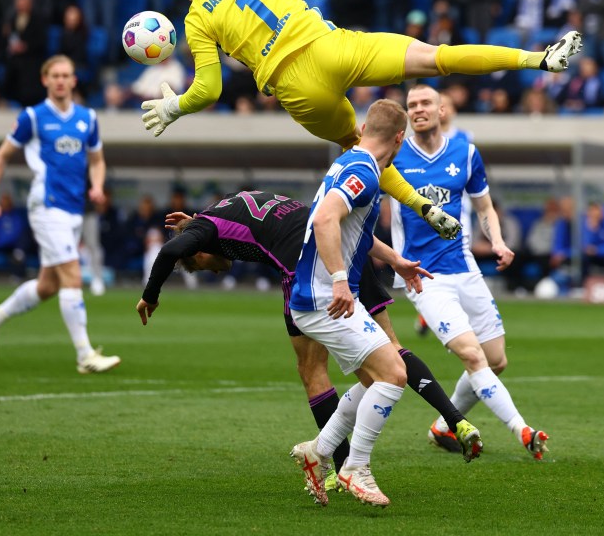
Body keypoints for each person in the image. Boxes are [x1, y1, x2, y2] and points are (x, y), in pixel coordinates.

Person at [142, 0, 583, 242]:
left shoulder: (197, 17)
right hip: (332, 47)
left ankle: (422, 207)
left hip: (298, 89)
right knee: (436, 57)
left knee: (361, 146)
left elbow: (209, 89)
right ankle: (539, 58)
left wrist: (175, 107)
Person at [135, 186, 483, 493]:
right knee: (391, 349)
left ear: (197, 252)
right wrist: (394, 258)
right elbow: (242, 220)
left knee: (314, 369)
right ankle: (455, 420)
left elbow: (169, 252)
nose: (216, 269)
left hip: (311, 270)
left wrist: (151, 295)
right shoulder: (223, 207)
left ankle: (339, 465)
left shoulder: (203, 230)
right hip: (346, 245)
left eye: (206, 267)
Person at [390, 84, 549, 460]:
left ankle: (442, 427)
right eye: (411, 105)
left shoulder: (466, 152)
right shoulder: (393, 157)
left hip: (464, 266)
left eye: (425, 103)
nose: (418, 110)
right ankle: (522, 430)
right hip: (423, 276)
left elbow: (484, 207)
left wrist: (497, 241)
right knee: (473, 357)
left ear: (442, 109)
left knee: (497, 360)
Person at [287, 99, 430, 507]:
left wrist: (396, 260)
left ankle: (319, 451)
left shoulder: (351, 162)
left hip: (314, 295)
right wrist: (338, 281)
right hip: (321, 298)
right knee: (394, 374)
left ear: (366, 126)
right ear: (400, 139)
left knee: (375, 378)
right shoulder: (365, 173)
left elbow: (352, 229)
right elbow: (324, 219)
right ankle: (355, 468)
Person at [0, 55, 120, 374]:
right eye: (54, 75)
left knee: (48, 286)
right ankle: (85, 355)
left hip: (73, 209)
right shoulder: (33, 117)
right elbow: (0, 158)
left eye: (65, 75)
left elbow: (97, 160)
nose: (60, 80)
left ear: (73, 81)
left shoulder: (88, 118)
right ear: (45, 80)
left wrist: (97, 186)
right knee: (72, 273)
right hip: (45, 203)